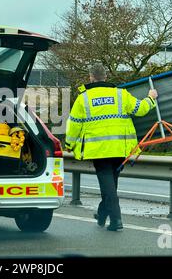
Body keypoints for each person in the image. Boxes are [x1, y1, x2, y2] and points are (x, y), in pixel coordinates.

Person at [65, 64, 158, 231]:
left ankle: (116, 220)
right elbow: (141, 109)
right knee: (111, 184)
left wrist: (69, 145)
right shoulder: (120, 94)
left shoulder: (83, 98)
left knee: (108, 185)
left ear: (91, 77)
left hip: (99, 150)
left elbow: (74, 125)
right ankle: (102, 214)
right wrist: (151, 98)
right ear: (106, 77)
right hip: (120, 148)